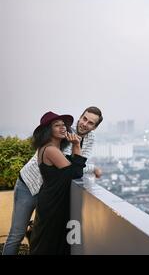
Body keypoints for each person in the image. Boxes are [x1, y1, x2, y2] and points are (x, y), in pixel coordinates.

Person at [2, 107, 103, 255]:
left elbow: (79, 163)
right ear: (80, 117)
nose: (85, 124)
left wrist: (82, 163)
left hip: (49, 190)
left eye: (91, 123)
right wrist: (94, 168)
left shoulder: (89, 137)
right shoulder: (64, 133)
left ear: (94, 127)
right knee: (17, 234)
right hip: (29, 185)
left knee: (41, 234)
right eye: (84, 119)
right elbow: (71, 166)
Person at [27, 112, 87, 254]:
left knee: (47, 239)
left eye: (63, 125)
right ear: (48, 130)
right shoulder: (51, 150)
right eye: (56, 125)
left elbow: (70, 168)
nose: (63, 128)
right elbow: (75, 173)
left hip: (50, 199)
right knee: (50, 242)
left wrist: (74, 148)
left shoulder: (49, 148)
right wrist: (77, 144)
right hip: (53, 202)